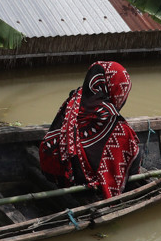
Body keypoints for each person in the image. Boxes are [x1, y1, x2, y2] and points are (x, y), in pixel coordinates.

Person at [38, 61, 141, 199]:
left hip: (52, 170)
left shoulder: (76, 97)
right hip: (76, 178)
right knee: (129, 140)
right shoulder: (108, 116)